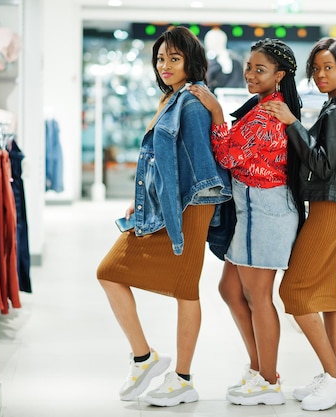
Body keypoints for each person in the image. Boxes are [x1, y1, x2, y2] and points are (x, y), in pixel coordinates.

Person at [96, 26, 231, 407]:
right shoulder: (171, 99)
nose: (166, 65)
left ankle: (183, 379)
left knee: (185, 289)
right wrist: (144, 201)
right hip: (171, 203)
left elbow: (205, 163)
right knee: (110, 272)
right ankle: (146, 358)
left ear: (191, 62)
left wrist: (182, 209)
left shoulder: (191, 102)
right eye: (160, 59)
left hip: (192, 206)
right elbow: (164, 164)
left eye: (174, 58)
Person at [188, 38, 304, 406]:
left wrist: (218, 115)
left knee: (259, 296)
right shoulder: (263, 106)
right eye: (250, 67)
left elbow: (228, 155)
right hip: (252, 210)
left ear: (279, 75)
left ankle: (269, 381)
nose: (251, 74)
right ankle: (258, 368)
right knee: (231, 290)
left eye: (260, 69)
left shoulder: (271, 111)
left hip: (264, 211)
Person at [262, 37, 336, 411]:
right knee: (328, 292)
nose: (321, 75)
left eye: (329, 68)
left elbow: (321, 164)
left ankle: (335, 377)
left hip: (330, 204)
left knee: (295, 291)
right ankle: (334, 375)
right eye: (316, 68)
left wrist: (291, 122)